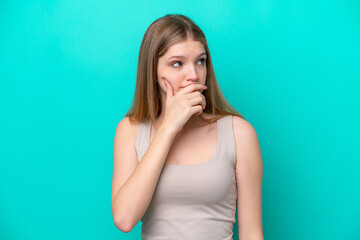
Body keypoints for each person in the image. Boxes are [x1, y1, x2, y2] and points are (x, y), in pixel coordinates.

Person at [111, 14, 264, 240]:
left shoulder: (239, 133)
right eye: (177, 63)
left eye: (200, 61)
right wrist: (169, 127)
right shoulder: (130, 130)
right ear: (153, 71)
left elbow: (252, 234)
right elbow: (124, 218)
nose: (193, 75)